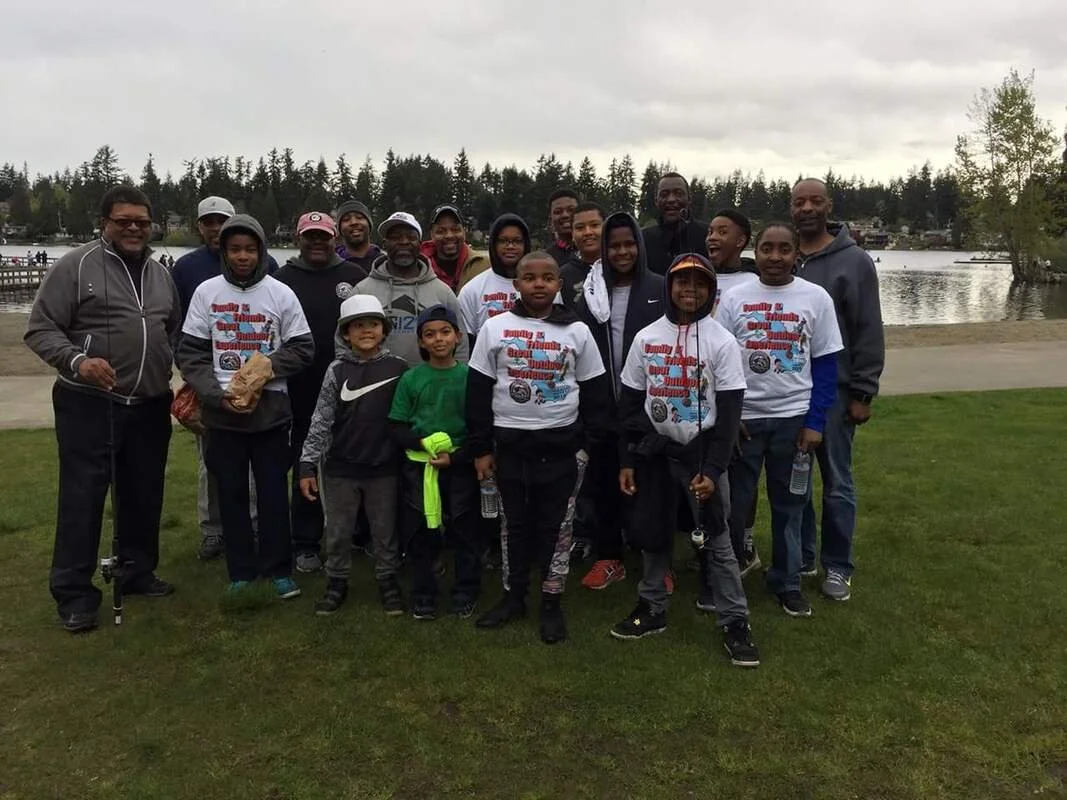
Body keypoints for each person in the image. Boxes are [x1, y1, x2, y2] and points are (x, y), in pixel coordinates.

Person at [25, 186, 180, 633]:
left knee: (144, 494)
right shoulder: (76, 267)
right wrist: (78, 360)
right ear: (104, 223)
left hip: (150, 403)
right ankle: (74, 594)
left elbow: (170, 328)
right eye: (123, 220)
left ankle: (136, 572)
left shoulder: (159, 273)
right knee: (82, 497)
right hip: (89, 403)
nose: (133, 228)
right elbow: (40, 328)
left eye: (142, 222)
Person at [612, 253, 759, 668]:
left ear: (712, 291)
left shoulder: (721, 341)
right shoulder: (646, 338)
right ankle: (652, 606)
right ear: (668, 287)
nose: (689, 290)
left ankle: (735, 621)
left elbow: (730, 414)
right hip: (657, 455)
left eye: (699, 283)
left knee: (719, 539)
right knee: (653, 535)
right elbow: (630, 405)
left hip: (701, 454)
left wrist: (712, 470)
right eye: (681, 282)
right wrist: (628, 459)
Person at [467, 251, 612, 644]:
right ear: (516, 284)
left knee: (557, 528)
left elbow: (598, 395)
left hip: (562, 449)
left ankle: (551, 601)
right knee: (512, 526)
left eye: (548, 277)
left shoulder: (576, 331)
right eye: (529, 278)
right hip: (509, 447)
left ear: (558, 284)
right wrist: (481, 449)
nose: (539, 284)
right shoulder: (495, 328)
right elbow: (477, 394)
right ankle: (514, 597)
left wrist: (587, 448)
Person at [178, 214, 313, 600]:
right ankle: (240, 570)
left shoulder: (280, 293)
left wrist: (268, 367)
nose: (242, 257)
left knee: (272, 494)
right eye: (235, 249)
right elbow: (190, 352)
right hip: (221, 413)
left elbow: (304, 348)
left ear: (261, 251)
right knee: (232, 494)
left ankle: (279, 569)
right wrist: (214, 393)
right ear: (223, 251)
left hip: (270, 411)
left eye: (250, 249)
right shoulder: (207, 293)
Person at [716, 223, 843, 617]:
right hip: (744, 421)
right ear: (756, 251)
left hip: (793, 420)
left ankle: (787, 582)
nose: (774, 257)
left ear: (796, 254)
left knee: (791, 504)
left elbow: (825, 365)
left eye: (783, 249)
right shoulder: (735, 298)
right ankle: (729, 572)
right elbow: (718, 363)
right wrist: (728, 416)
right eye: (767, 249)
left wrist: (816, 422)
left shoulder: (815, 298)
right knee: (735, 505)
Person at [792, 179, 885, 601]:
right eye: (799, 202)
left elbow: (867, 329)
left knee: (837, 481)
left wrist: (863, 392)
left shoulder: (855, 262)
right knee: (797, 480)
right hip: (790, 391)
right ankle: (805, 555)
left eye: (815, 201)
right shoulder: (785, 257)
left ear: (829, 205)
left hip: (836, 392)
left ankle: (837, 565)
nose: (807, 208)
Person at [172, 196, 274, 560]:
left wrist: (259, 375)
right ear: (200, 226)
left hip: (256, 381)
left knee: (253, 464)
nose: (215, 227)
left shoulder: (268, 265)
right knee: (210, 461)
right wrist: (195, 377)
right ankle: (213, 530)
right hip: (208, 382)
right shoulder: (185, 268)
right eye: (209, 222)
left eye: (222, 221)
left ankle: (255, 524)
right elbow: (178, 326)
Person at [297, 295, 408, 615]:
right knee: (338, 531)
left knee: (385, 531)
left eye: (373, 324)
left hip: (385, 468)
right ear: (345, 333)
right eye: (357, 326)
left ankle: (388, 580)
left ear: (383, 329)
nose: (366, 331)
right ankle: (337, 581)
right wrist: (307, 463)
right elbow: (321, 419)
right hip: (341, 468)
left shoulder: (400, 368)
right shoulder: (336, 370)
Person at [274, 211, 370, 572]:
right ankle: (305, 542)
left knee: (354, 464)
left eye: (323, 236)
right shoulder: (282, 280)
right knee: (306, 464)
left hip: (352, 389)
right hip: (299, 391)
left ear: (335, 238)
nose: (317, 242)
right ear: (299, 238)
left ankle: (358, 534)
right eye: (309, 236)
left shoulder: (354, 277)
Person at [573, 212, 664, 590]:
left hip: (649, 408)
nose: (622, 252)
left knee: (653, 489)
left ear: (639, 247)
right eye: (615, 246)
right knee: (605, 485)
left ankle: (657, 562)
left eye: (629, 244)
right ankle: (610, 557)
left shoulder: (660, 288)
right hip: (603, 407)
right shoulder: (591, 294)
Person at [389, 305, 480, 620]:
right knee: (420, 531)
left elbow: (481, 428)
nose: (438, 339)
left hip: (460, 465)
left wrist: (456, 457)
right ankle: (424, 593)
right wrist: (422, 445)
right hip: (420, 466)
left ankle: (465, 591)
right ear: (421, 343)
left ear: (457, 337)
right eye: (430, 334)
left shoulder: (471, 377)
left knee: (465, 529)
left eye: (445, 332)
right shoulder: (412, 379)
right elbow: (397, 426)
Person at [706, 208, 760, 572]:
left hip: (745, 396)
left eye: (722, 231)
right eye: (710, 230)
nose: (712, 237)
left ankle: (745, 541)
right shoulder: (698, 277)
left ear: (741, 241)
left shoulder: (753, 281)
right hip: (702, 393)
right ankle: (712, 541)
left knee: (743, 476)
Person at [357, 212, 468, 365]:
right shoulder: (362, 291)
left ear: (420, 244)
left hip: (429, 386)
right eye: (396, 237)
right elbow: (343, 343)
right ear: (384, 244)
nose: (404, 242)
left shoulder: (442, 292)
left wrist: (459, 380)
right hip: (374, 386)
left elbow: (460, 344)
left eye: (411, 237)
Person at [457, 213, 531, 344]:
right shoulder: (472, 290)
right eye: (503, 241)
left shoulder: (543, 288)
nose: (510, 246)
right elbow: (463, 342)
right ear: (493, 245)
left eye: (517, 241)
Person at [642, 173, 709, 275]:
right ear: (656, 200)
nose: (671, 200)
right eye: (664, 194)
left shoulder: (708, 236)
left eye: (678, 193)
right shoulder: (643, 240)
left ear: (689, 198)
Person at [421, 204, 490, 292]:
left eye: (455, 230)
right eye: (441, 231)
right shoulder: (419, 267)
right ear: (432, 234)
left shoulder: (484, 266)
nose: (449, 236)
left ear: (464, 231)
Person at [559, 202, 604, 310]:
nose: (588, 232)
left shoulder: (619, 269)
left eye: (594, 225)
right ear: (572, 235)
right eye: (580, 228)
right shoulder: (563, 276)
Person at [334, 200, 381, 271]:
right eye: (346, 219)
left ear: (369, 224)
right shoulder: (332, 265)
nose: (354, 222)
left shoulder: (385, 262)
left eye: (359, 217)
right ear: (339, 228)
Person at [545, 188, 579, 266]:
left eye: (571, 210)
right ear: (551, 219)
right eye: (558, 212)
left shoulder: (599, 251)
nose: (565, 215)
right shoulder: (547, 259)